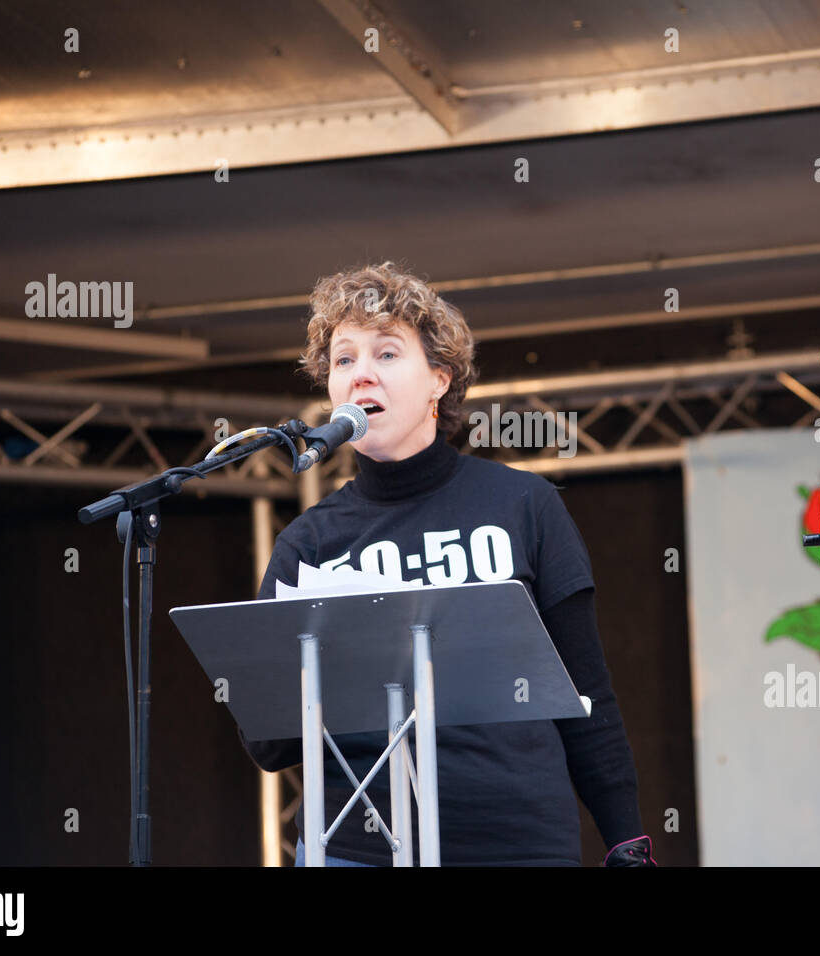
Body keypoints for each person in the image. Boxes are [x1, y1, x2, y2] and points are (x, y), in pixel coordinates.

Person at [240, 261, 655, 867]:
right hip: (357, 848)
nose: (361, 377)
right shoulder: (308, 543)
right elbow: (270, 743)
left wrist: (627, 837)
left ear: (440, 377)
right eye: (344, 359)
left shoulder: (523, 504)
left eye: (385, 354)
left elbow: (585, 693)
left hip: (516, 844)